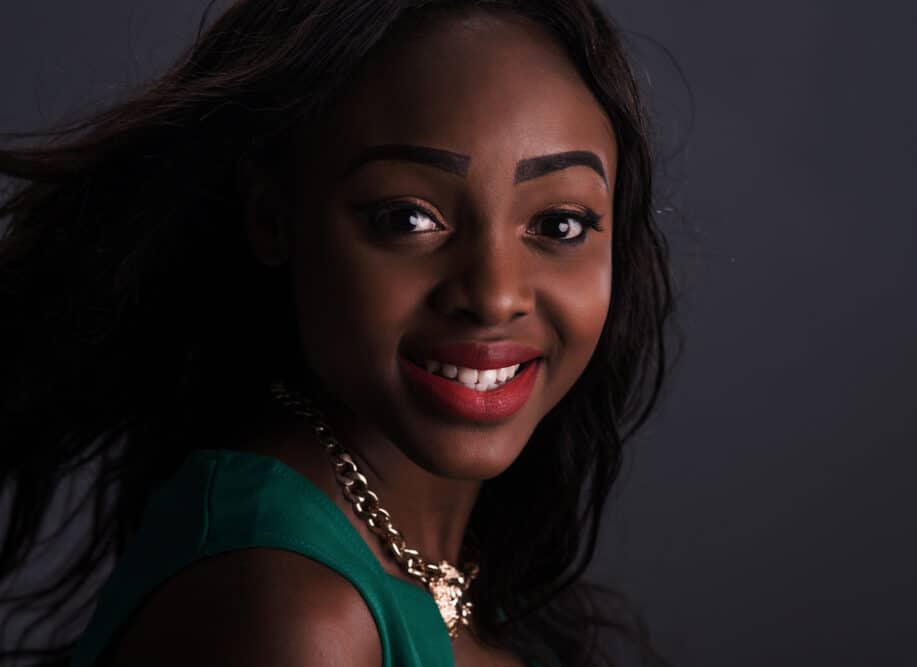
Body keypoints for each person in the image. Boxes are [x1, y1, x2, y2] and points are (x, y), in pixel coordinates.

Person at [0, 1, 679, 665]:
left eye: (558, 225)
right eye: (408, 218)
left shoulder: (447, 565)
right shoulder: (293, 615)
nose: (494, 295)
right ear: (273, 217)